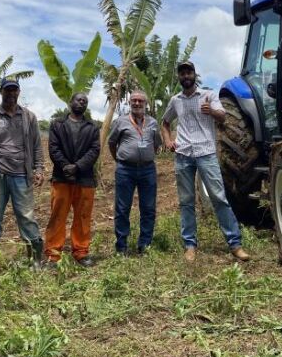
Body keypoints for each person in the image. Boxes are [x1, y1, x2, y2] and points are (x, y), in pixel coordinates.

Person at [161, 62, 250, 263]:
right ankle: (190, 245)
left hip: (206, 153)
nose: (186, 76)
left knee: (219, 198)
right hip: (183, 154)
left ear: (194, 74)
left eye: (189, 72)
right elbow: (165, 122)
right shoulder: (175, 100)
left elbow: (223, 117)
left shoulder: (208, 95)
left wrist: (211, 111)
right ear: (179, 77)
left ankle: (235, 244)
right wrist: (167, 140)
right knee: (186, 202)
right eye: (182, 73)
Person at [0, 78, 45, 269]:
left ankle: (35, 260)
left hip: (22, 174)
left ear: (19, 92)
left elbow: (37, 146)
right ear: (1, 92)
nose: (11, 94)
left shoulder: (29, 117)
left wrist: (39, 168)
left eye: (14, 90)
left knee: (26, 216)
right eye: (8, 90)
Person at [45, 92, 100, 267]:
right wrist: (65, 166)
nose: (81, 102)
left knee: (83, 216)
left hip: (85, 178)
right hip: (61, 177)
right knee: (57, 216)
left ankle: (81, 252)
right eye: (78, 99)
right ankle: (53, 254)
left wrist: (77, 167)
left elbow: (94, 150)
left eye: (84, 101)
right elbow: (53, 148)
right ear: (71, 102)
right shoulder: (57, 125)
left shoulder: (92, 127)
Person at [108, 90, 162, 255]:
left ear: (146, 104)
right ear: (129, 103)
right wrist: (119, 159)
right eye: (134, 100)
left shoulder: (152, 123)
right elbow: (112, 143)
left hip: (147, 169)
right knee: (122, 208)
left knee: (148, 208)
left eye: (140, 101)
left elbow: (156, 144)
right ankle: (121, 246)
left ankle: (144, 244)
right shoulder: (121, 122)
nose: (137, 103)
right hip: (125, 169)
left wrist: (144, 155)